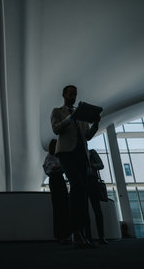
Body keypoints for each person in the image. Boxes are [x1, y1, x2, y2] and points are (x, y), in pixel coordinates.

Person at [50, 85, 100, 249]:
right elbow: (56, 129)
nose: (73, 96)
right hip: (66, 153)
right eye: (70, 93)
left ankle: (82, 233)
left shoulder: (82, 114)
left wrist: (96, 124)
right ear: (64, 94)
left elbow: (87, 136)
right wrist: (70, 118)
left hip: (81, 154)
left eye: (75, 94)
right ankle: (75, 232)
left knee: (81, 192)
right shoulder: (57, 111)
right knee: (77, 186)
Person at [43, 139, 71, 244]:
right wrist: (61, 166)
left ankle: (62, 235)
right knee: (60, 207)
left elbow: (49, 168)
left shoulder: (53, 156)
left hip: (57, 180)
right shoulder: (52, 156)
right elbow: (51, 169)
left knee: (61, 207)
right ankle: (62, 235)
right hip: (56, 180)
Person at [85, 168, 108, 245]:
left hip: (92, 181)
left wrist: (92, 165)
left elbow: (101, 165)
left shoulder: (92, 155)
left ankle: (101, 236)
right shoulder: (91, 155)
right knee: (87, 211)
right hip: (85, 181)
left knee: (97, 210)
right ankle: (89, 237)